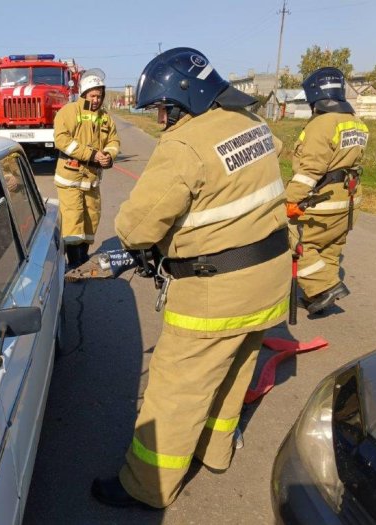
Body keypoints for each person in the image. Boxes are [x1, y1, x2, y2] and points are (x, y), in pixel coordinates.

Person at [91, 48, 290, 510]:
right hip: (270, 280)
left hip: (215, 293)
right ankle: (215, 451)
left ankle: (147, 486)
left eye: (163, 109)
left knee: (177, 390)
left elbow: (137, 229)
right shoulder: (253, 126)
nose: (161, 120)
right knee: (235, 370)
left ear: (184, 97)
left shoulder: (185, 145)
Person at [285, 67, 369, 314]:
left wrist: (291, 200)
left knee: (297, 244)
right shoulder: (356, 122)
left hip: (322, 200)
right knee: (330, 247)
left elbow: (309, 171)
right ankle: (317, 298)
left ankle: (326, 287)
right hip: (349, 199)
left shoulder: (321, 125)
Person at [53, 68, 120, 269]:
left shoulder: (105, 117)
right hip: (70, 179)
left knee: (91, 218)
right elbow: (62, 140)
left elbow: (114, 140)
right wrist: (91, 154)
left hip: (91, 180)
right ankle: (73, 263)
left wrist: (108, 155)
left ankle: (82, 256)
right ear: (83, 94)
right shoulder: (69, 112)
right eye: (93, 95)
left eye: (100, 95)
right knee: (74, 221)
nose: (97, 99)